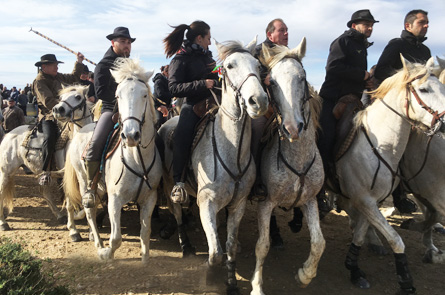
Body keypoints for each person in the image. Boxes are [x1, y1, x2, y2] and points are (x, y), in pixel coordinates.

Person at [373, 10, 430, 214]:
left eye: (427, 23)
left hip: (416, 109)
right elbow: (380, 73)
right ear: (408, 26)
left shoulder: (426, 51)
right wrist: (404, 83)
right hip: (391, 106)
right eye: (422, 22)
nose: (426, 26)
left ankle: (412, 192)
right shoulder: (396, 45)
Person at [318, 9, 377, 199]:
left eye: (371, 25)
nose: (370, 28)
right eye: (366, 24)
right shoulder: (342, 41)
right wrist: (362, 75)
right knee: (325, 140)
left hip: (352, 101)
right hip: (332, 99)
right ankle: (319, 187)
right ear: (354, 25)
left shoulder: (361, 45)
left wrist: (365, 82)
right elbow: (333, 67)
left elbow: (351, 73)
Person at [164, 20, 219, 203]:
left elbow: (216, 78)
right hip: (193, 105)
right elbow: (174, 88)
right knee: (182, 134)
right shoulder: (180, 58)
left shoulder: (209, 58)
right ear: (199, 38)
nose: (210, 43)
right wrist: (202, 84)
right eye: (208, 38)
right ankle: (179, 182)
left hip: (215, 103)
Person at [82, 27, 135, 208]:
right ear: (113, 43)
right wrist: (121, 100)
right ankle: (91, 185)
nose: (127, 45)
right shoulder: (103, 65)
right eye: (123, 41)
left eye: (128, 42)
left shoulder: (132, 63)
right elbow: (101, 92)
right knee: (96, 143)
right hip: (110, 109)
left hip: (133, 110)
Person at [32, 52, 85, 185]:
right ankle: (45, 171)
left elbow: (73, 77)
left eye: (57, 65)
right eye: (54, 65)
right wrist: (66, 106)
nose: (57, 68)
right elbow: (48, 102)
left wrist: (78, 62)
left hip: (65, 114)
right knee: (50, 138)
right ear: (44, 67)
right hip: (49, 116)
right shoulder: (39, 81)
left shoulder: (58, 77)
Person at [152, 65, 173, 129]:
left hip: (166, 105)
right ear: (166, 72)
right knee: (159, 121)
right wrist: (172, 94)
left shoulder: (166, 81)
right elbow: (160, 94)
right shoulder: (159, 81)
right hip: (158, 105)